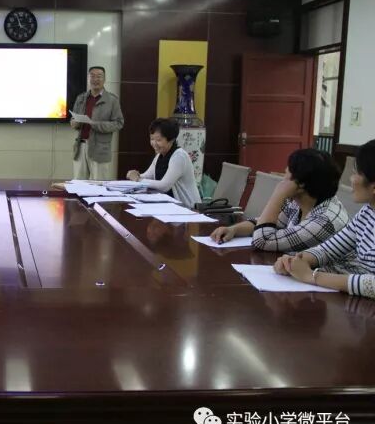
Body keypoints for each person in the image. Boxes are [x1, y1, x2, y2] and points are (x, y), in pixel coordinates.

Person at [274, 139, 375, 298]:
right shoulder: (367, 212)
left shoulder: (327, 216)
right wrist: (295, 261)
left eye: (356, 172)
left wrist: (311, 276)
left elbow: (372, 285)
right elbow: (328, 249)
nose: (350, 179)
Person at [210, 149, 347, 252]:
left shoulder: (324, 221)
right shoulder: (301, 202)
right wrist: (234, 229)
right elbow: (266, 223)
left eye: (287, 174)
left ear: (301, 184)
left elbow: (262, 240)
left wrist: (278, 194)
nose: (282, 178)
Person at [126, 118, 201, 208]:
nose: (154, 143)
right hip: (169, 205)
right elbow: (147, 176)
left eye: (158, 140)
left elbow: (164, 186)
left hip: (187, 208)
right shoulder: (159, 155)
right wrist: (134, 175)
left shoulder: (179, 156)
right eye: (152, 139)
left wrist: (138, 179)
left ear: (171, 140)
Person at [71, 66, 124, 181]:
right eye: (92, 76)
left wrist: (95, 124)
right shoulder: (81, 98)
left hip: (100, 149)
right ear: (88, 79)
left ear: (104, 79)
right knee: (78, 184)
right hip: (81, 147)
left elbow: (119, 123)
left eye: (99, 76)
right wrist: (74, 123)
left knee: (98, 184)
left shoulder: (112, 100)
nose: (95, 79)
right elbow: (73, 118)